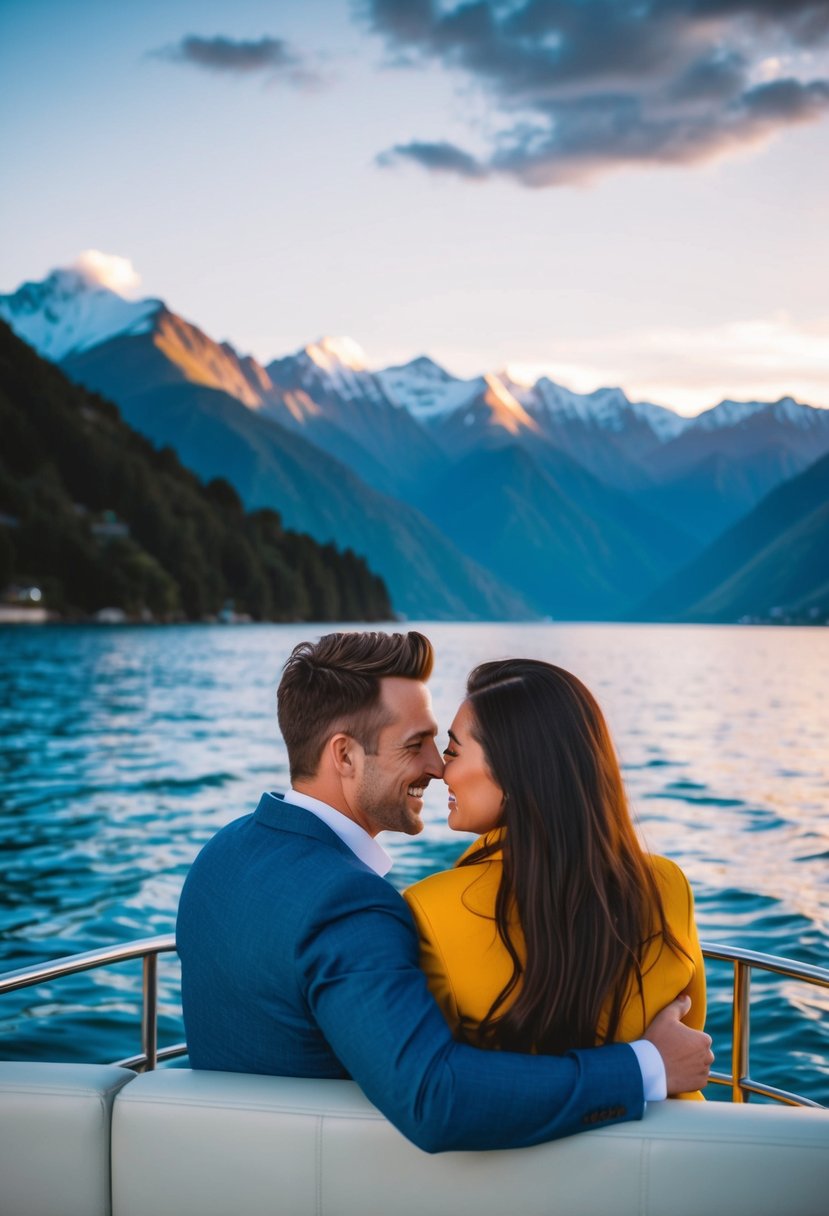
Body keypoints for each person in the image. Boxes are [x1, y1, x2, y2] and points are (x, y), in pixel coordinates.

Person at [177, 632, 712, 1154]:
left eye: (444, 745)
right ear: (344, 757)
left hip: (224, 1164)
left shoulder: (221, 854)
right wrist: (645, 1067)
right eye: (417, 745)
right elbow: (435, 1096)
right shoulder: (351, 906)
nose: (436, 767)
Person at [404, 659, 706, 1099]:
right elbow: (689, 1035)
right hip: (669, 1151)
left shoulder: (431, 910)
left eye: (453, 751)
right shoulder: (667, 883)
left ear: (513, 769)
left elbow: (444, 1079)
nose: (441, 771)